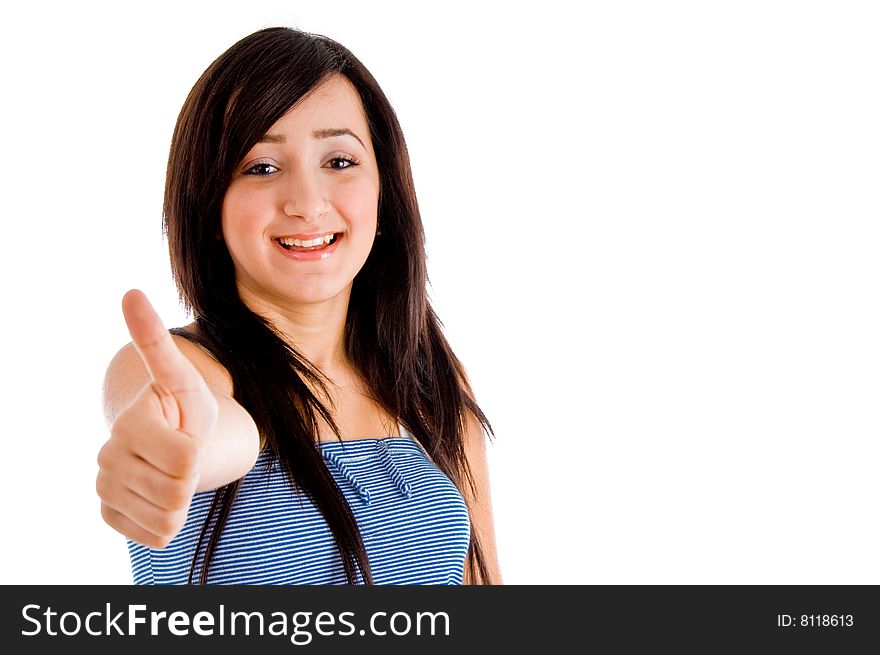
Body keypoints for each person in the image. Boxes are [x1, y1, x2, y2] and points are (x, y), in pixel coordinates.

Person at [96, 26, 501, 585]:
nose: (307, 204)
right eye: (261, 167)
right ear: (209, 204)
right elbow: (212, 431)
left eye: (339, 161)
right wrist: (177, 446)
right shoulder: (185, 370)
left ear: (384, 189)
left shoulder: (430, 378)